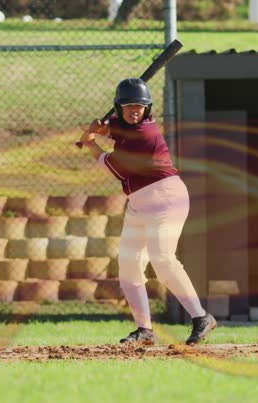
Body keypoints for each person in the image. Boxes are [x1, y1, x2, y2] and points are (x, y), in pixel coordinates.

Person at [79, 78, 217, 346]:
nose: (135, 111)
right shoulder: (128, 124)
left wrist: (90, 142)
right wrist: (100, 128)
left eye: (139, 106)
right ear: (119, 108)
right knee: (129, 267)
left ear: (147, 109)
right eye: (129, 106)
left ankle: (201, 317)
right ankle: (144, 330)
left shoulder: (145, 135)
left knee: (162, 259)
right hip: (139, 204)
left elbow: (111, 166)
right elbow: (116, 128)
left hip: (166, 199)